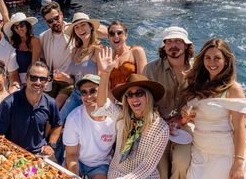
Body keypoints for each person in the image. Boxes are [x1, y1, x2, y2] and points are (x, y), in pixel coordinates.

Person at [96, 47, 169, 179]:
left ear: (148, 96)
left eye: (139, 94)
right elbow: (102, 104)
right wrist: (105, 74)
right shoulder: (122, 116)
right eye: (129, 95)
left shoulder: (161, 128)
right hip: (115, 174)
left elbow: (147, 166)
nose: (134, 99)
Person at [182, 39, 246, 179]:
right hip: (199, 150)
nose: (211, 62)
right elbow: (196, 115)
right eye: (208, 58)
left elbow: (240, 128)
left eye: (217, 58)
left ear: (226, 60)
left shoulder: (233, 89)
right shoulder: (196, 84)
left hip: (223, 154)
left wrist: (238, 163)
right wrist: (187, 115)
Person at [143, 26, 194, 179]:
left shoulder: (198, 70)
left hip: (186, 124)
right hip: (158, 124)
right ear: (164, 47)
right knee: (160, 171)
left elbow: (203, 100)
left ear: (186, 45)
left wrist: (183, 119)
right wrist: (159, 120)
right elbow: (145, 102)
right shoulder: (150, 69)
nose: (173, 45)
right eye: (169, 41)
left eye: (178, 41)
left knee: (181, 163)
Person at [0, 61, 62, 156]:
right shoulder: (9, 103)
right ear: (26, 78)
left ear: (47, 82)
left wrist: (51, 145)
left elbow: (57, 125)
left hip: (38, 156)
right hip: (12, 155)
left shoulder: (50, 103)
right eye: (33, 78)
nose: (38, 82)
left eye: (42, 79)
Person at [0, 0, 41, 84]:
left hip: (29, 78)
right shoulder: (13, 40)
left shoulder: (34, 42)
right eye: (16, 27)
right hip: (13, 77)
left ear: (27, 25)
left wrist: (27, 80)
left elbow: (34, 63)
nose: (19, 29)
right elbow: (4, 15)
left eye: (21, 25)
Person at [63, 74, 116, 179]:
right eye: (84, 92)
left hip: (100, 164)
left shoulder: (115, 116)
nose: (88, 97)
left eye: (93, 91)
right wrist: (75, 176)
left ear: (102, 91)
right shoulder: (74, 117)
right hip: (78, 161)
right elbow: (71, 154)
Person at [107, 21, 147, 90]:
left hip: (133, 96)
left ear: (126, 36)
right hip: (113, 98)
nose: (116, 36)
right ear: (108, 38)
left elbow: (142, 80)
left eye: (119, 33)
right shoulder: (107, 56)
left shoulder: (136, 51)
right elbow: (107, 85)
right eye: (112, 34)